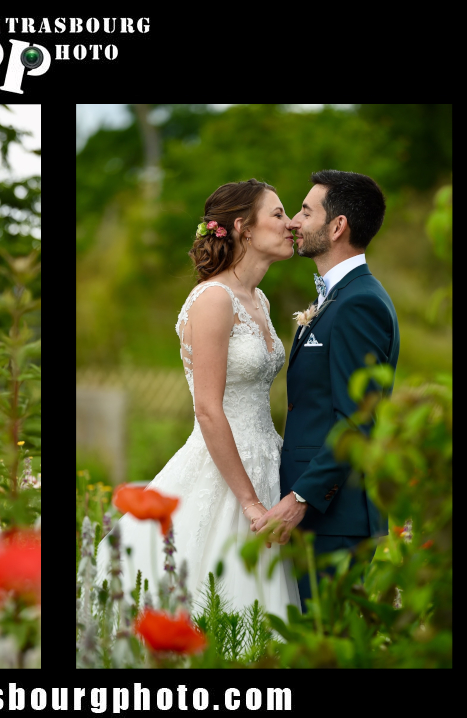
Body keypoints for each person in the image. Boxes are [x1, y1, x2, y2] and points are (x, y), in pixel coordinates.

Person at [96, 178, 301, 618]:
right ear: (244, 227)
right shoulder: (213, 299)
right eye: (279, 214)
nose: (290, 225)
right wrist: (248, 500)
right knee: (217, 593)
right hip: (225, 470)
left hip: (267, 460)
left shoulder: (258, 299)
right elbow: (208, 409)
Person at [252, 170, 398, 613]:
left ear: (337, 227)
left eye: (305, 211)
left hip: (335, 516)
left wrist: (301, 498)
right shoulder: (338, 297)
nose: (294, 221)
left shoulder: (360, 304)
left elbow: (358, 419)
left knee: (327, 648)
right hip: (322, 514)